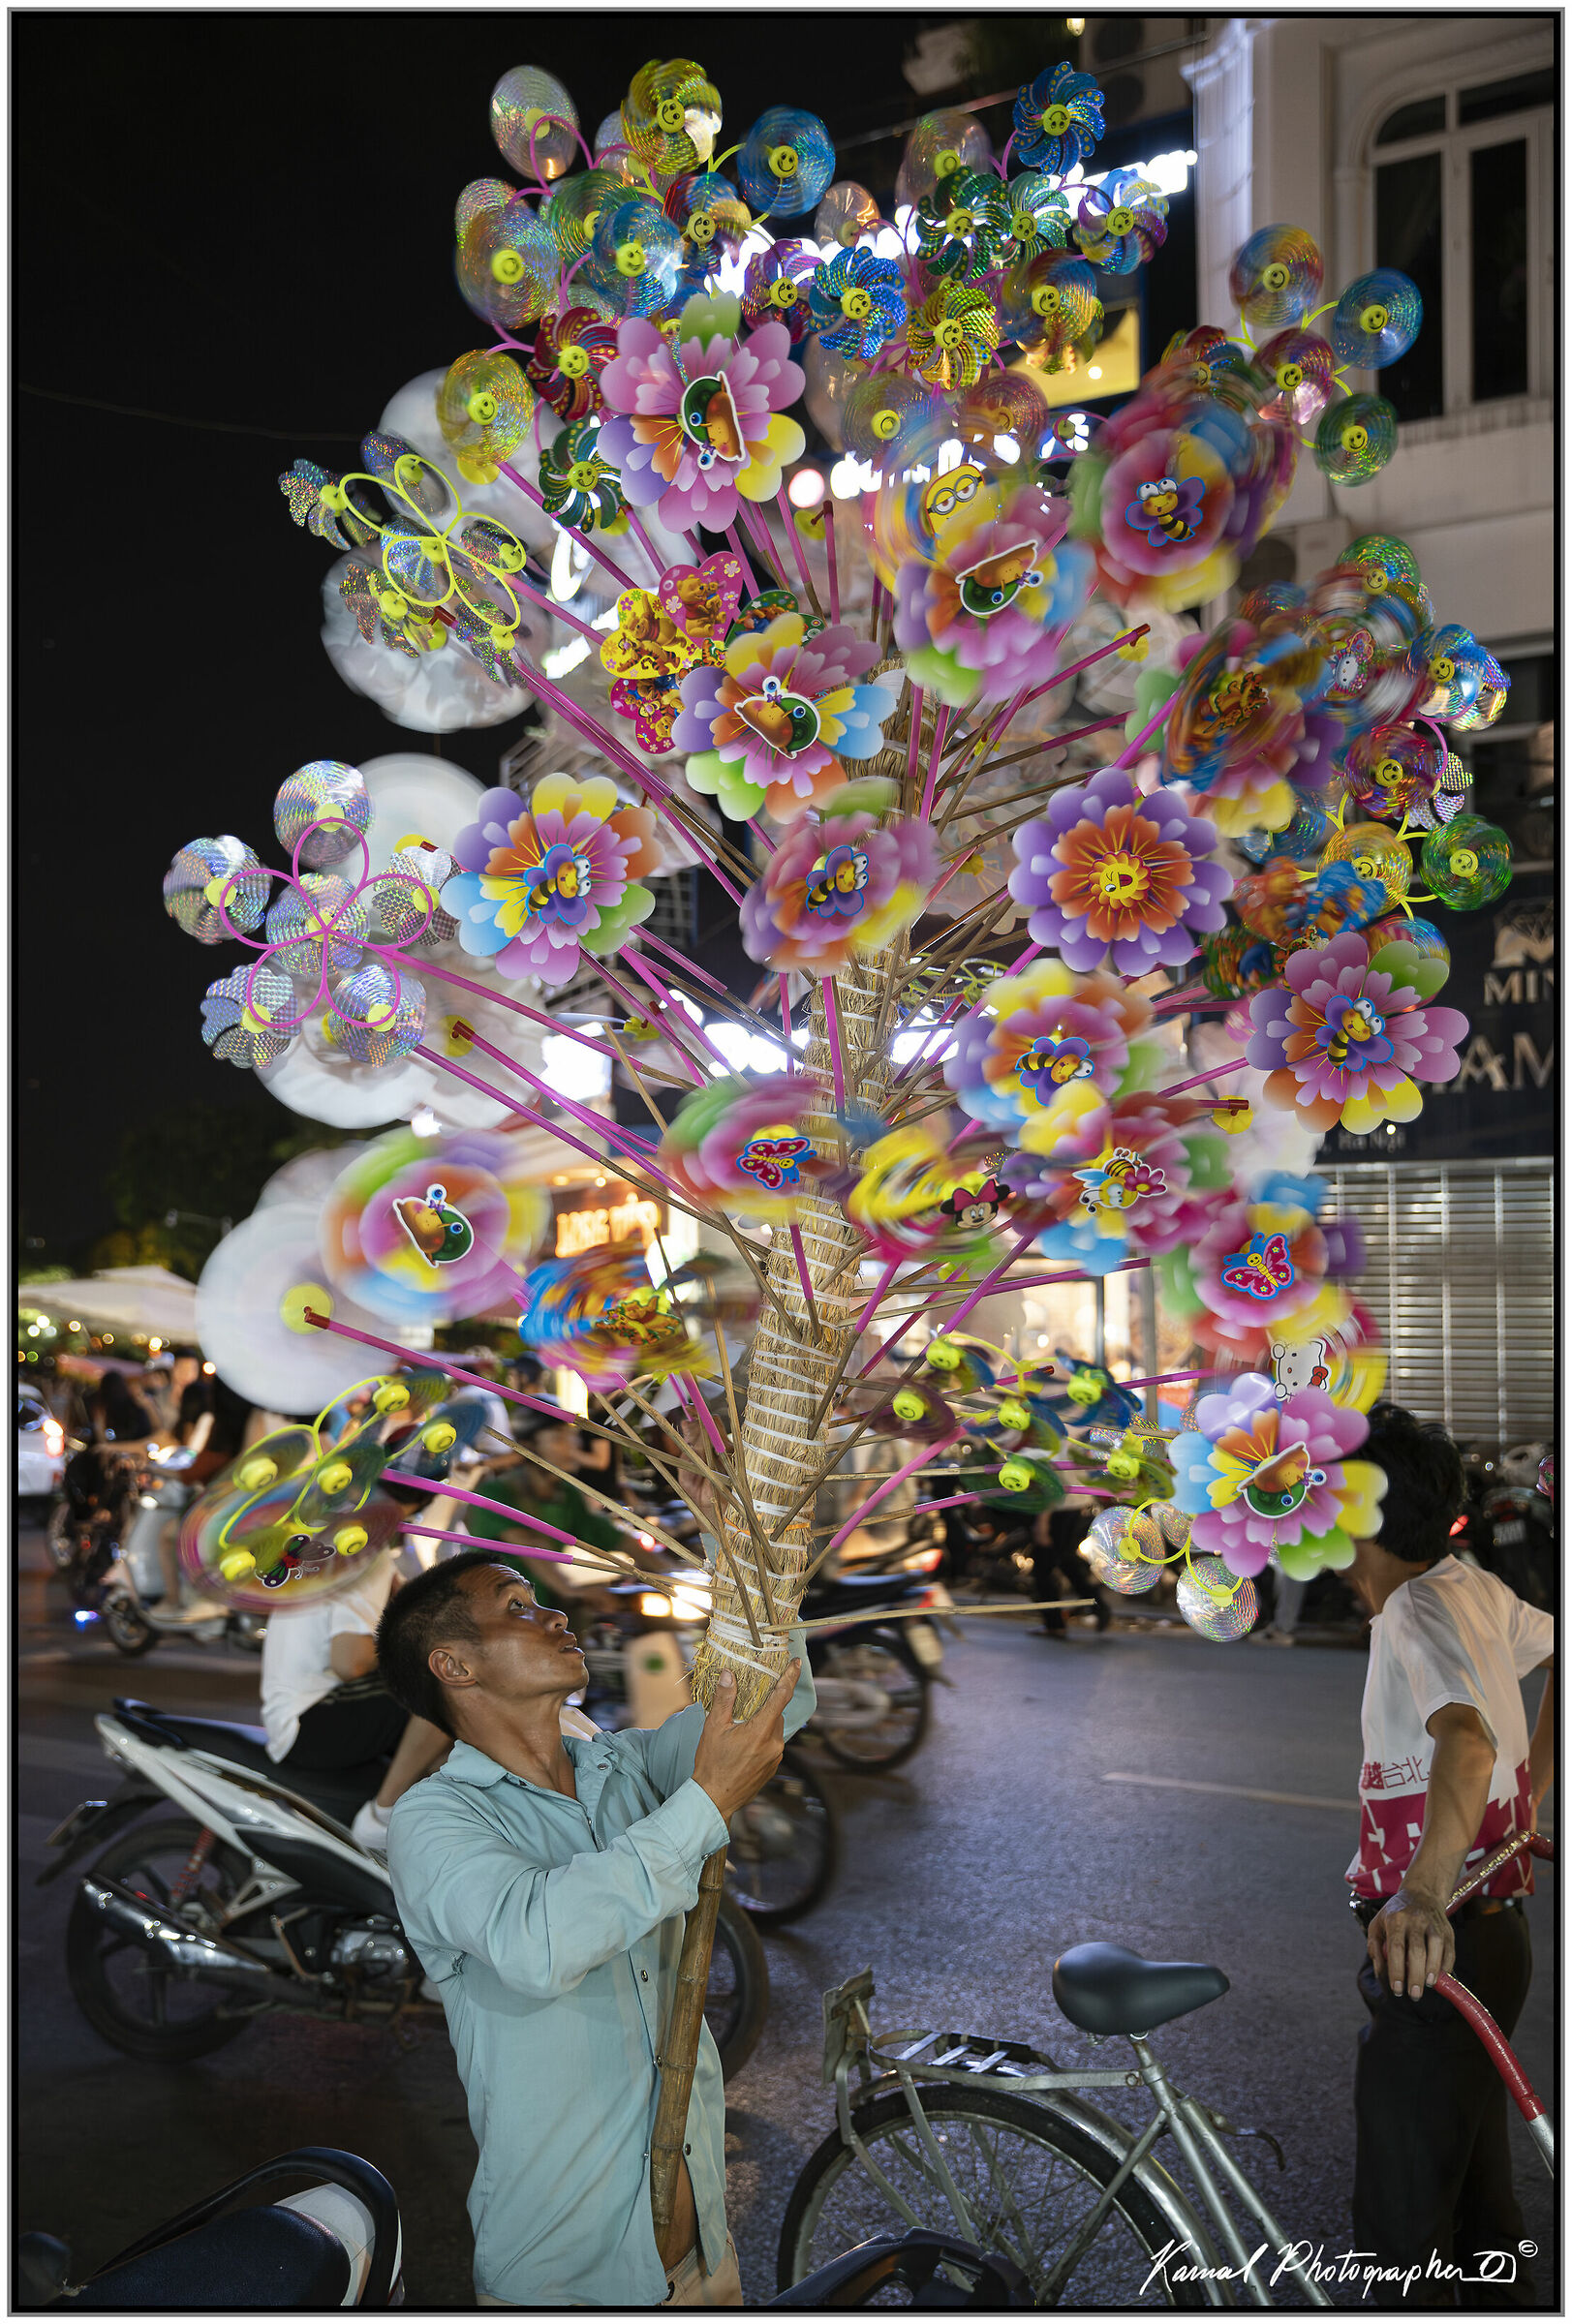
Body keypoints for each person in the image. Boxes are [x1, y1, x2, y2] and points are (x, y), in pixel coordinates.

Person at [378, 1549, 814, 2307]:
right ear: (453, 1665)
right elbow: (539, 1943)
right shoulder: (434, 1818)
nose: (555, 1616)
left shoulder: (624, 1766)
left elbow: (773, 1702)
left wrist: (750, 1552)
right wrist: (704, 1804)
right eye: (516, 1608)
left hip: (702, 2259)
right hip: (566, 2278)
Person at [1344, 1404, 1554, 2308]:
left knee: (1401, 2232)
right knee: (1475, 2207)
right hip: (1488, 1939)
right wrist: (1529, 1792)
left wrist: (1421, 1894)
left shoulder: (1414, 1610)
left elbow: (1464, 1739)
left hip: (1440, 1956)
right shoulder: (1465, 1584)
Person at [260, 1546, 451, 1854]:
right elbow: (351, 1662)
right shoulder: (366, 1557)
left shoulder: (323, 1549)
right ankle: (381, 1816)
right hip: (313, 1719)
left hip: (294, 1715)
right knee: (448, 1687)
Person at [461, 1406, 627, 1611]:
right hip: (501, 1614)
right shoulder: (495, 1493)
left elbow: (607, 1534)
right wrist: (570, 1590)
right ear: (529, 1446)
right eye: (559, 1439)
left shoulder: (567, 1493)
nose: (572, 1447)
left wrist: (666, 1573)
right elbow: (532, 1547)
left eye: (572, 1437)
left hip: (546, 1609)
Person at [1032, 1497, 1106, 1636]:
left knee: (1043, 1569)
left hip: (1057, 1509)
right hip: (1076, 1505)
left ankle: (1055, 1624)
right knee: (1065, 1561)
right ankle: (1098, 1606)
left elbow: (1051, 1486)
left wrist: (1042, 1522)